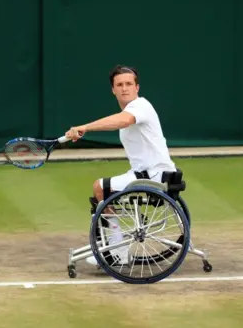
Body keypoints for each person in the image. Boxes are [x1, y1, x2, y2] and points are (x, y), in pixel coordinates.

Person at [64, 65, 179, 266]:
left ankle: (117, 250)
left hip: (153, 176)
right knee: (103, 193)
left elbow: (123, 121)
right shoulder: (132, 109)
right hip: (147, 174)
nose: (124, 88)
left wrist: (85, 127)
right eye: (119, 84)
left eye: (128, 84)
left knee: (100, 187)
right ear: (113, 90)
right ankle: (112, 244)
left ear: (137, 87)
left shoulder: (140, 106)